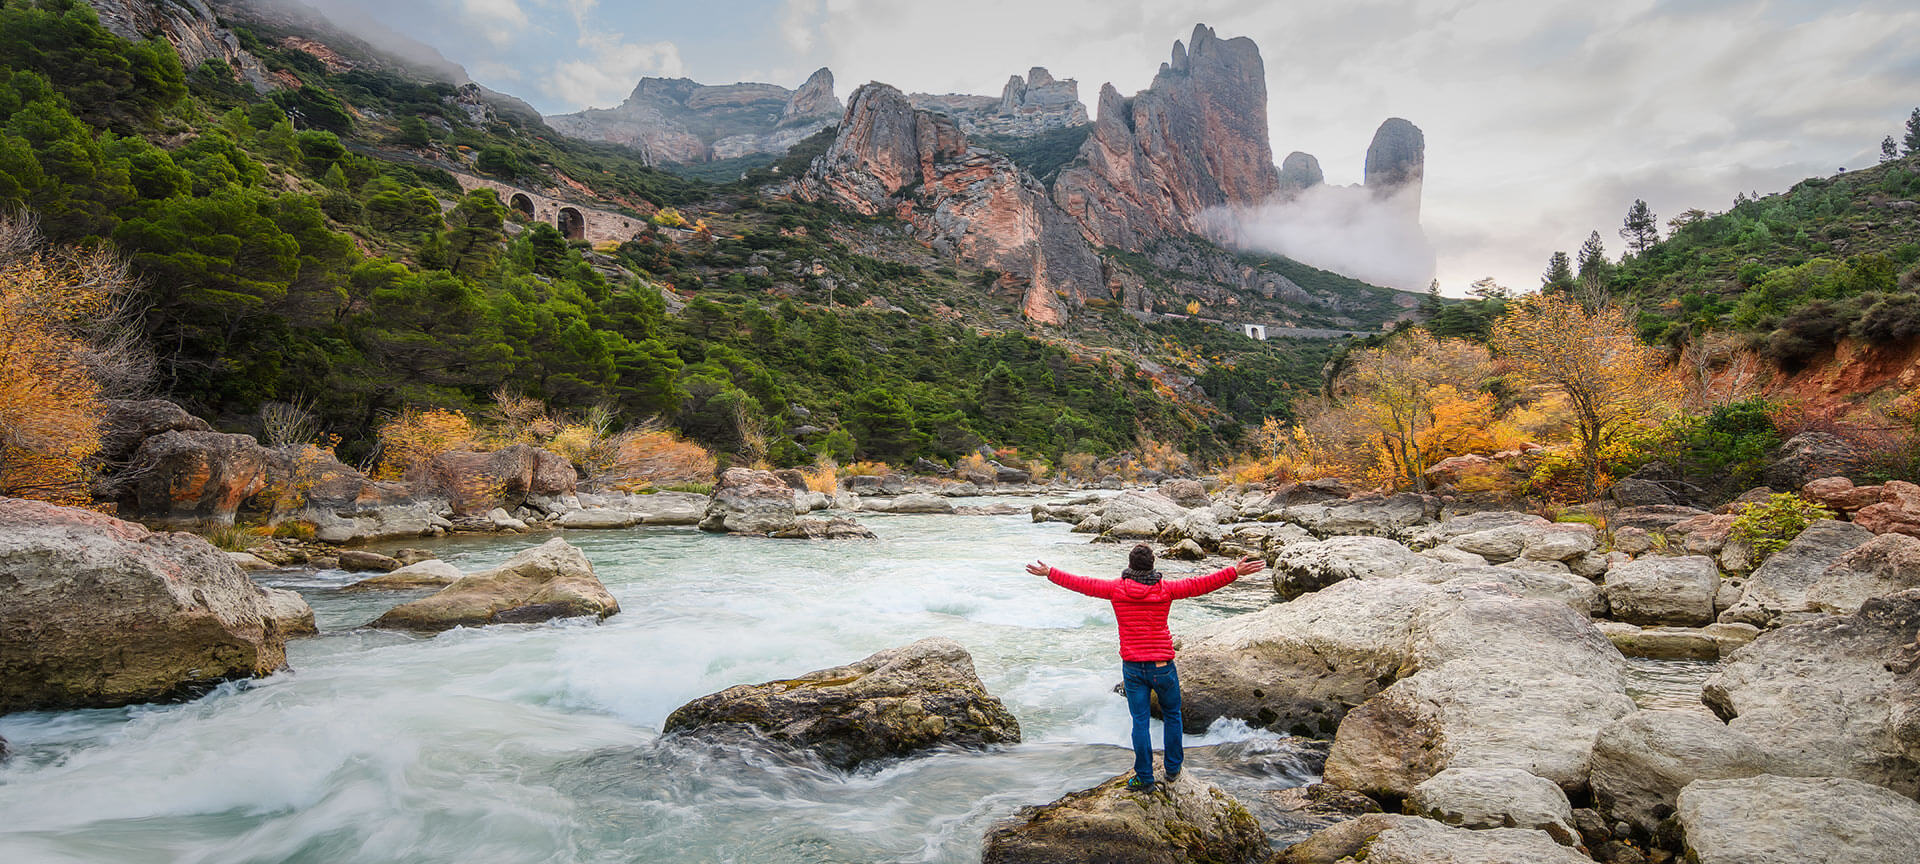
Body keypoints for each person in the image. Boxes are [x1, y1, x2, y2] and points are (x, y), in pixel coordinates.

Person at [1027, 544, 1266, 791]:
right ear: (1153, 566)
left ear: (1129, 566)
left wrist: (1050, 573)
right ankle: (1173, 769)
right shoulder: (1166, 589)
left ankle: (1144, 777)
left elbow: (1082, 583)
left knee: (1139, 722)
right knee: (1173, 716)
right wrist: (1234, 571)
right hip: (1162, 666)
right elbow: (1201, 584)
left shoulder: (1115, 589)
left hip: (1133, 667)